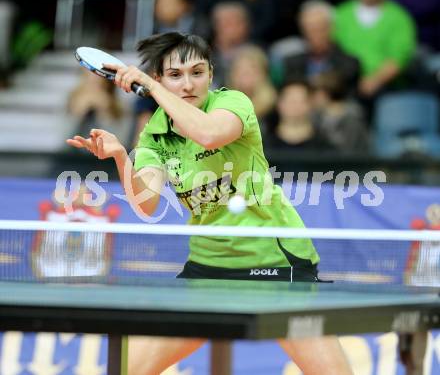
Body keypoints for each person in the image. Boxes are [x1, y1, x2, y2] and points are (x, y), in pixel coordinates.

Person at [66, 32, 353, 375]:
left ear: (211, 74)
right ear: (159, 78)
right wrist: (120, 158)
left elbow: (208, 134)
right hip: (208, 269)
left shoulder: (232, 103)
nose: (188, 83)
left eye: (197, 72)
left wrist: (154, 90)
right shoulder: (155, 135)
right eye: (174, 75)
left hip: (278, 269)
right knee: (126, 370)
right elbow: (147, 204)